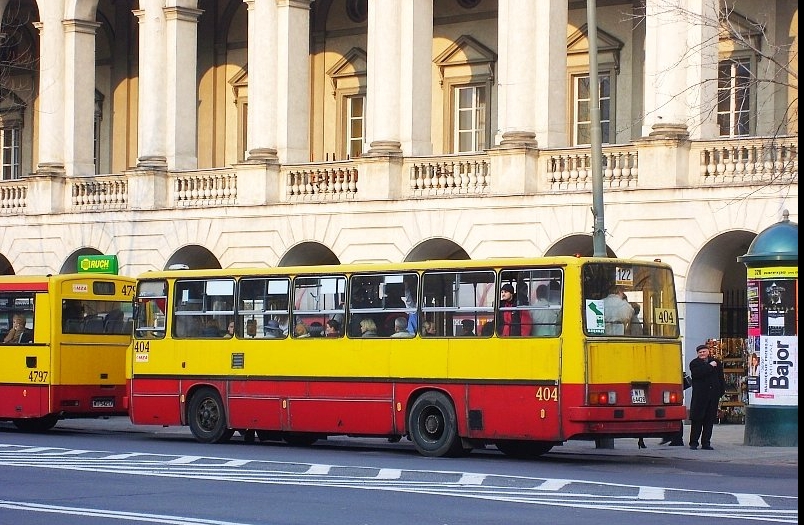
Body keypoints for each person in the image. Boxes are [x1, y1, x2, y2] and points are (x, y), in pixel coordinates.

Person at [688, 343, 726, 450]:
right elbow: (697, 374)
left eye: (704, 352)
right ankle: (694, 442)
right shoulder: (694, 363)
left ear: (708, 352)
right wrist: (709, 366)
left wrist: (721, 392)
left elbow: (720, 378)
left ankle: (706, 443)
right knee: (697, 420)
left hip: (712, 397)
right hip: (700, 397)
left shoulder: (716, 362)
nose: (702, 354)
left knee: (709, 421)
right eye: (700, 352)